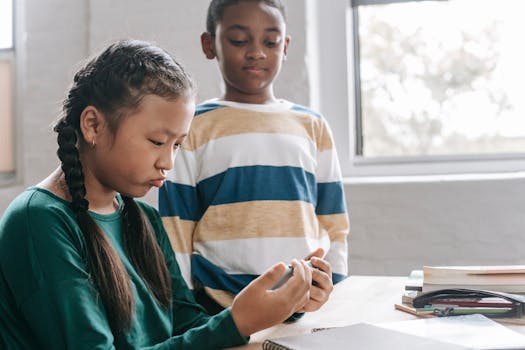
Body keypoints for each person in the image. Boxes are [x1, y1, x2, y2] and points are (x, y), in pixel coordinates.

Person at [0, 39, 314, 349]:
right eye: (156, 141)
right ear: (93, 125)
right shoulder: (38, 220)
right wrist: (237, 321)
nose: (168, 162)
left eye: (177, 145)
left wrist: (284, 303)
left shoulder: (145, 219)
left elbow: (190, 326)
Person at [158, 0, 349, 318]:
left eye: (270, 41)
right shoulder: (192, 127)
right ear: (210, 45)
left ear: (285, 46)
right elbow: (176, 226)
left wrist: (335, 291)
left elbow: (334, 222)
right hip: (218, 308)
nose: (257, 52)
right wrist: (184, 309)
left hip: (304, 304)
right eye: (238, 40)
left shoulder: (312, 126)